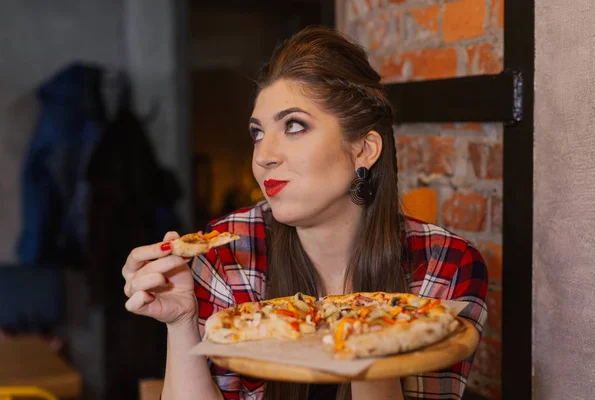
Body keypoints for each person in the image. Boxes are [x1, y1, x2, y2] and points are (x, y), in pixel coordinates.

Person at [122, 26, 488, 400]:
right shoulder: (227, 251)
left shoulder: (446, 263)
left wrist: (371, 326)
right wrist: (181, 323)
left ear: (364, 149)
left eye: (294, 126)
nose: (263, 155)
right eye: (257, 133)